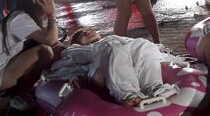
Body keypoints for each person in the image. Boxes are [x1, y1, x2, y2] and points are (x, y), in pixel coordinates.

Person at [49, 28, 179, 107]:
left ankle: (154, 88)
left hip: (126, 58)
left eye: (90, 30)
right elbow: (71, 68)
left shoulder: (119, 42)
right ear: (77, 42)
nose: (88, 31)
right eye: (83, 33)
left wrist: (160, 57)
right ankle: (128, 94)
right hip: (100, 73)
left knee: (142, 44)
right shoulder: (77, 50)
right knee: (112, 47)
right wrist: (76, 78)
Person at [0, 0, 60, 111]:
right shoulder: (20, 18)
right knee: (45, 51)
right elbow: (51, 40)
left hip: (4, 69)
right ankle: (18, 95)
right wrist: (51, 15)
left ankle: (19, 91)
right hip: (0, 75)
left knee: (55, 50)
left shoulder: (24, 16)